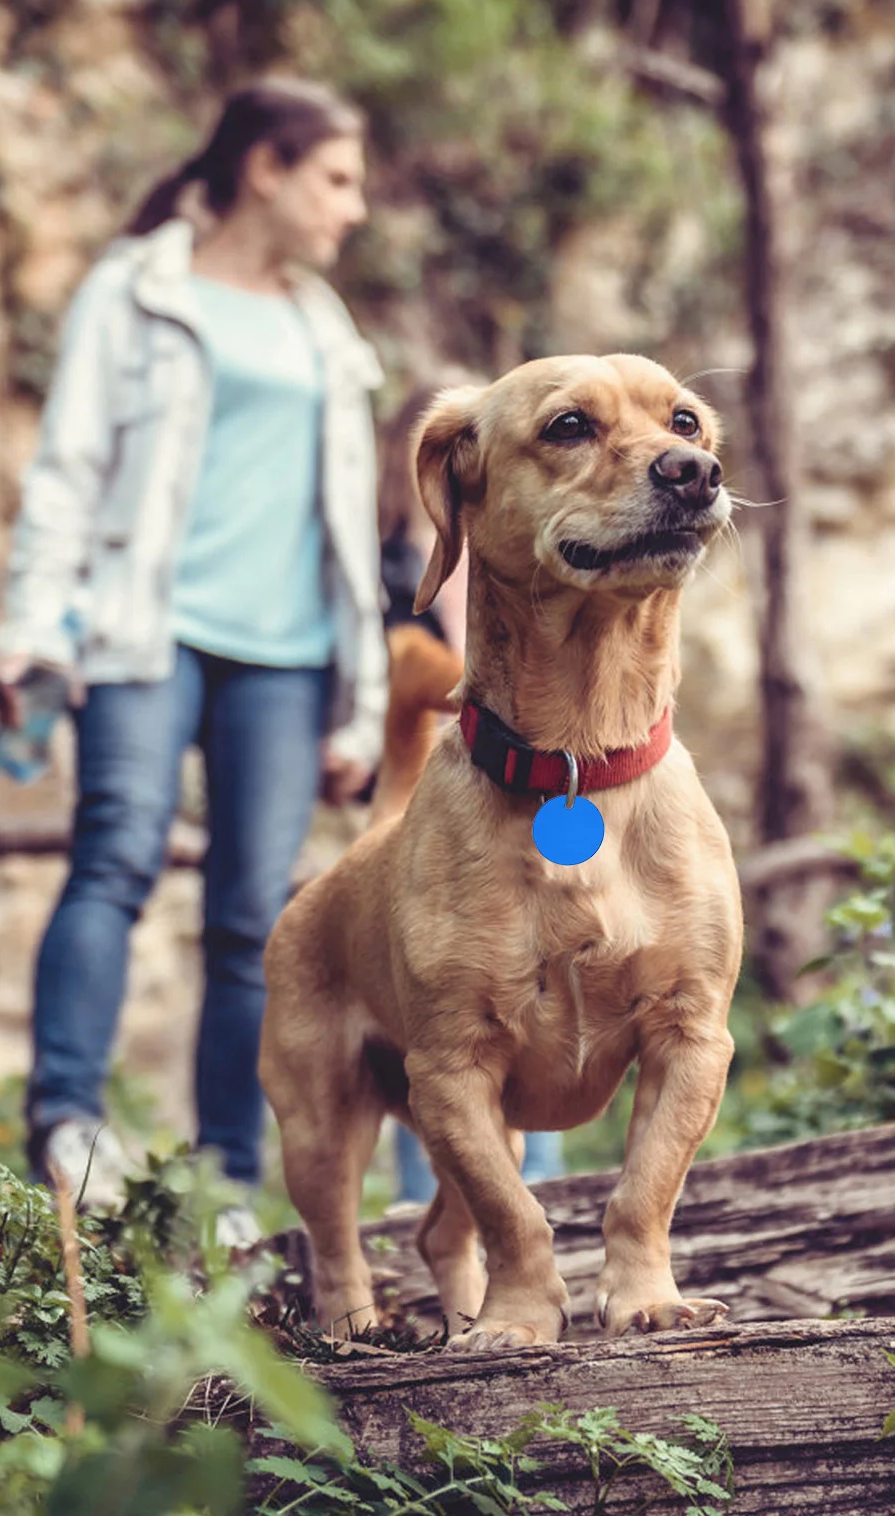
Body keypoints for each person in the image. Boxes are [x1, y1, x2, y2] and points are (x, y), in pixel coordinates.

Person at [0, 79, 389, 1235]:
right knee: (113, 852)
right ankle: (67, 1121)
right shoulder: (136, 290)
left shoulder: (325, 327)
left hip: (290, 656)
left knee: (251, 914)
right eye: (336, 179)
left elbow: (345, 526)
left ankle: (223, 1177)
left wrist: (356, 709)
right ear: (264, 167)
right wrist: (31, 630)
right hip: (145, 627)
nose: (352, 209)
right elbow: (66, 470)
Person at [371, 380, 567, 1206]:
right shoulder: (381, 580)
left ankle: (548, 1198)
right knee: (445, 1021)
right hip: (426, 815)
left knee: (556, 999)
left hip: (544, 803)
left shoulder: (546, 543)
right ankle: (436, 1209)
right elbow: (392, 691)